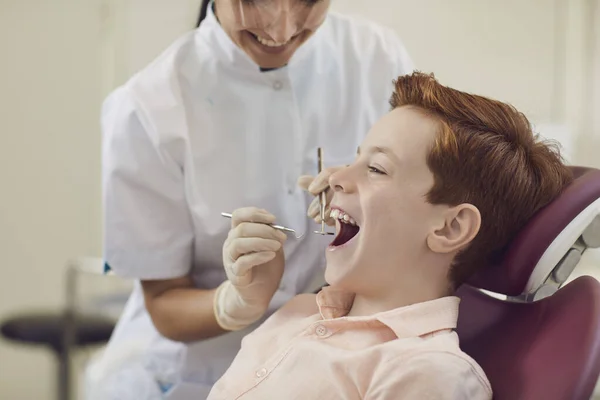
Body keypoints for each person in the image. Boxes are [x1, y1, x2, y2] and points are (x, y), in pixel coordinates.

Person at [90, 0, 414, 398]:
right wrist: (235, 302)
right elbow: (163, 301)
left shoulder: (378, 59)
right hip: (194, 373)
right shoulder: (146, 108)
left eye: (307, 1)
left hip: (325, 363)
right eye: (252, 0)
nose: (280, 30)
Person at [206, 71, 574, 399]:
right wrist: (246, 298)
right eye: (355, 158)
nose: (334, 177)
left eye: (377, 169)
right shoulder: (299, 312)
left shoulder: (428, 375)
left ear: (450, 227)